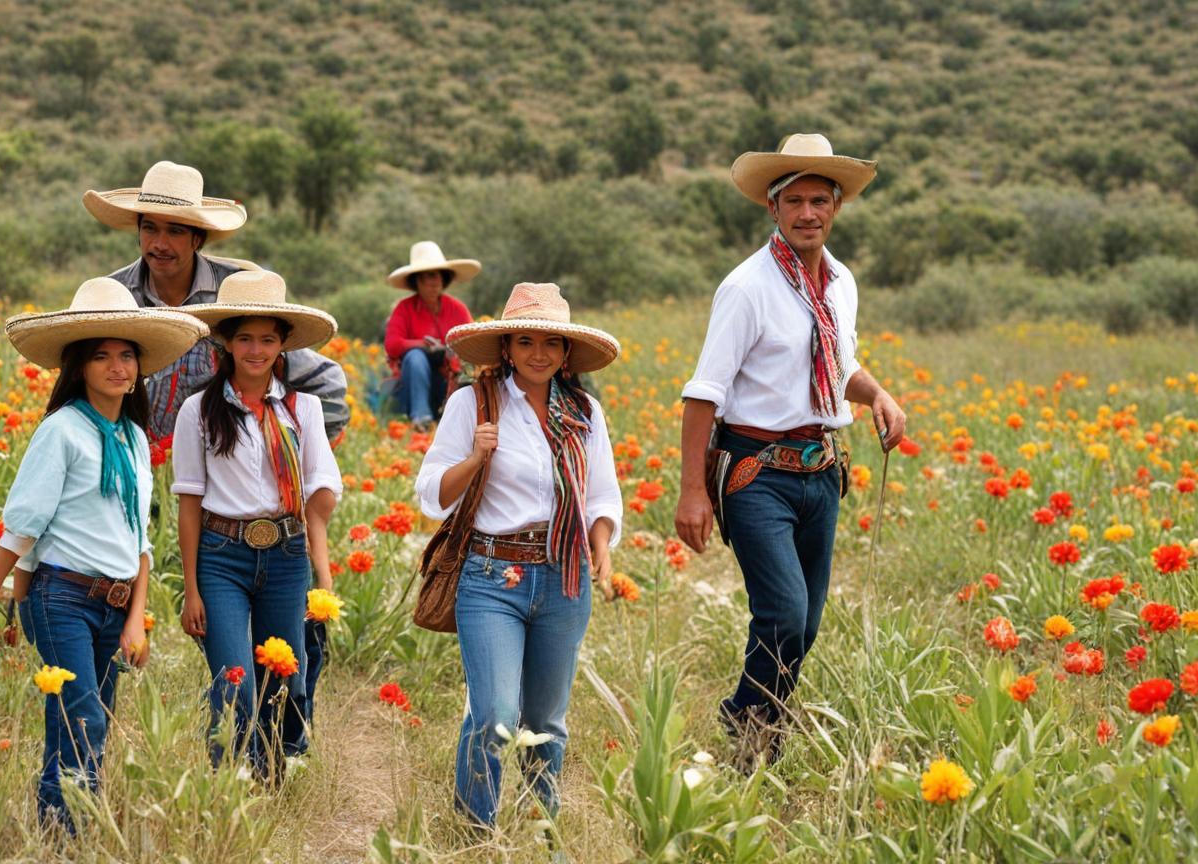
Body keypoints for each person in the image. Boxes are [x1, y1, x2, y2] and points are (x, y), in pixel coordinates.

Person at [673, 134, 907, 762]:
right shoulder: (747, 287)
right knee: (781, 613)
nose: (808, 213)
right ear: (772, 207)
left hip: (821, 470)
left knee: (806, 623)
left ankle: (757, 731)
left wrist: (877, 394)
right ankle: (749, 730)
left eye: (819, 201)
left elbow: (839, 363)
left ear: (836, 207)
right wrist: (693, 492)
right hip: (756, 472)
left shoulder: (840, 282)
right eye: (795, 201)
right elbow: (704, 394)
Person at [0, 278, 207, 832]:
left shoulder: (135, 438)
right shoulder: (63, 430)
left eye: (126, 356)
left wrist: (137, 618)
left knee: (87, 722)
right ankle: (68, 833)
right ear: (79, 366)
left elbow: (139, 541)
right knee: (84, 717)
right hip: (62, 597)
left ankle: (60, 830)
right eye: (101, 356)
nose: (117, 367)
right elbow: (24, 525)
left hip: (116, 603)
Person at [415, 282, 622, 827]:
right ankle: (475, 828)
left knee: (547, 723)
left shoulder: (585, 412)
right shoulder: (472, 403)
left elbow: (602, 495)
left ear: (566, 350)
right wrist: (475, 458)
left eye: (551, 342)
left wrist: (602, 546)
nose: (538, 353)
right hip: (491, 573)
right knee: (496, 715)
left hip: (563, 575)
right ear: (506, 347)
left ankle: (539, 829)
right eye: (525, 341)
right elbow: (431, 493)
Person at [172, 270, 342, 778]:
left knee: (283, 676)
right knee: (234, 681)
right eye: (245, 338)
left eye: (267, 339)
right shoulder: (198, 410)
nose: (256, 350)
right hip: (221, 555)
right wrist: (191, 588)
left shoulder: (304, 409)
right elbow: (189, 502)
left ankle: (270, 775)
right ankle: (228, 779)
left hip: (287, 555)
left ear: (283, 344)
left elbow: (316, 500)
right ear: (226, 342)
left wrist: (323, 576)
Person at [83, 160, 349, 443]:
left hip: (222, 461)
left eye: (175, 231)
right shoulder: (114, 295)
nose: (159, 244)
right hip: (136, 459)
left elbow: (326, 382)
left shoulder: (236, 290)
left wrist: (292, 452)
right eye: (150, 229)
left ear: (197, 239)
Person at [383, 241, 479, 430]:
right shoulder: (404, 309)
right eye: (428, 277)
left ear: (444, 279)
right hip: (412, 385)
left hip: (448, 382)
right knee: (415, 356)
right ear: (417, 282)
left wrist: (445, 349)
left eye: (438, 276)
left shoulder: (457, 309)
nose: (434, 282)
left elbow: (473, 343)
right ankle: (422, 419)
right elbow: (392, 345)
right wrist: (423, 345)